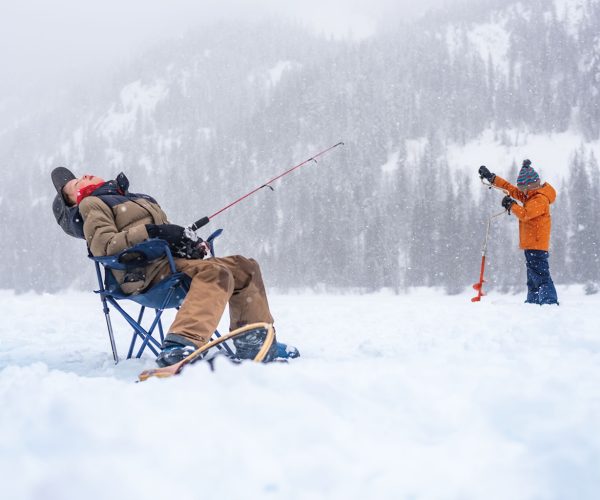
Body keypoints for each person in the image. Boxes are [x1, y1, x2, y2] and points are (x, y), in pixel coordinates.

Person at [50, 167, 300, 365]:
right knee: (215, 272)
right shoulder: (91, 204)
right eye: (75, 184)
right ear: (74, 199)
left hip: (168, 265)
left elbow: (166, 232)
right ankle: (180, 344)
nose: (83, 176)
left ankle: (253, 340)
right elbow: (104, 246)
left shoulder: (138, 199)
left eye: (81, 175)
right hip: (141, 276)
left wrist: (186, 244)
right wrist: (151, 231)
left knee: (245, 266)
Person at [478, 160, 559, 305]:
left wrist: (512, 205)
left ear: (530, 186)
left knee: (540, 276)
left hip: (537, 245)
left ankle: (549, 302)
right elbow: (511, 189)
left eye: (523, 189)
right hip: (531, 245)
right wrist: (492, 178)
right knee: (533, 278)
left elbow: (525, 214)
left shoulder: (540, 199)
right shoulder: (530, 196)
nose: (520, 192)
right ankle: (532, 302)